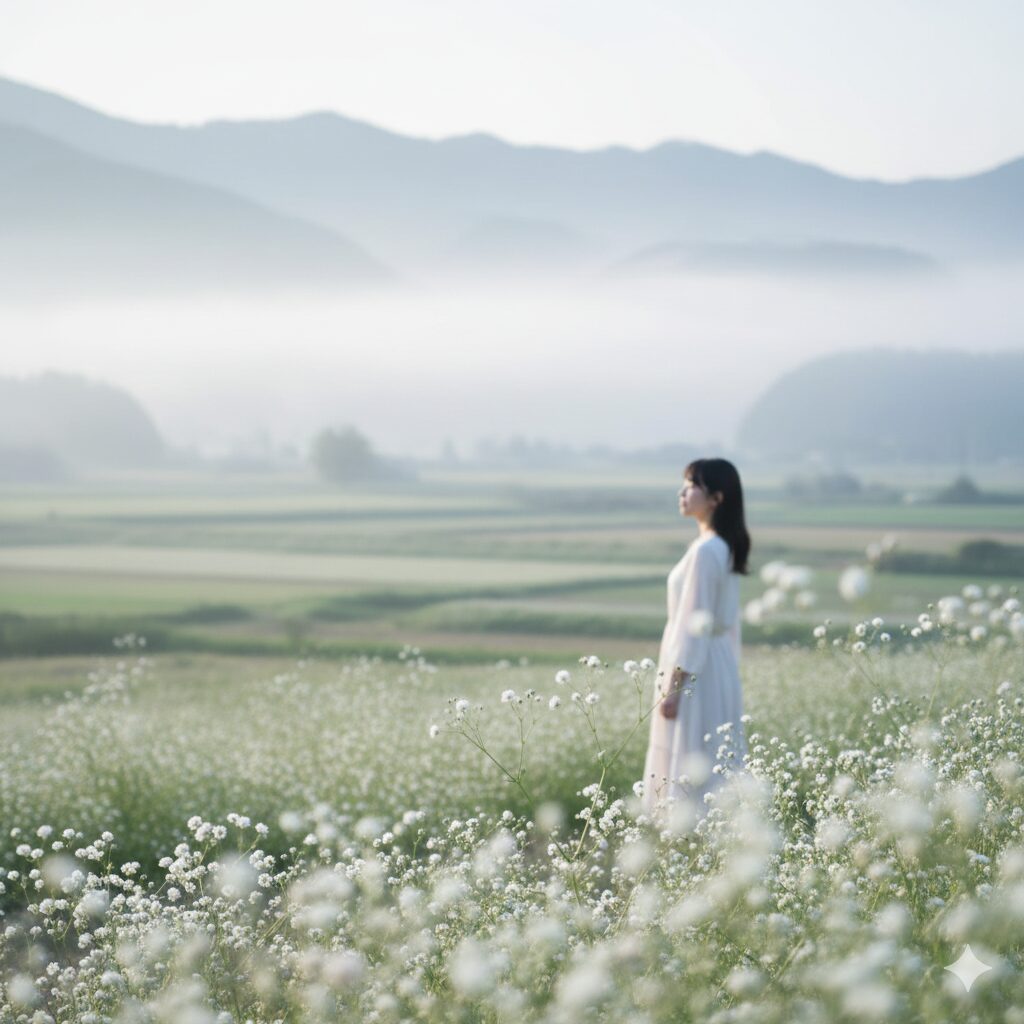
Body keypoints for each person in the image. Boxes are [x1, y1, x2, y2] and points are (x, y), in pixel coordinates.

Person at [641, 457, 751, 825]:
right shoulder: (719, 546)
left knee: (692, 753)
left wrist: (673, 688)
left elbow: (694, 624)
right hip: (715, 664)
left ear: (716, 498)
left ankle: (688, 834)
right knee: (711, 756)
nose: (683, 492)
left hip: (695, 670)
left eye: (691, 485)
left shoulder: (707, 551)